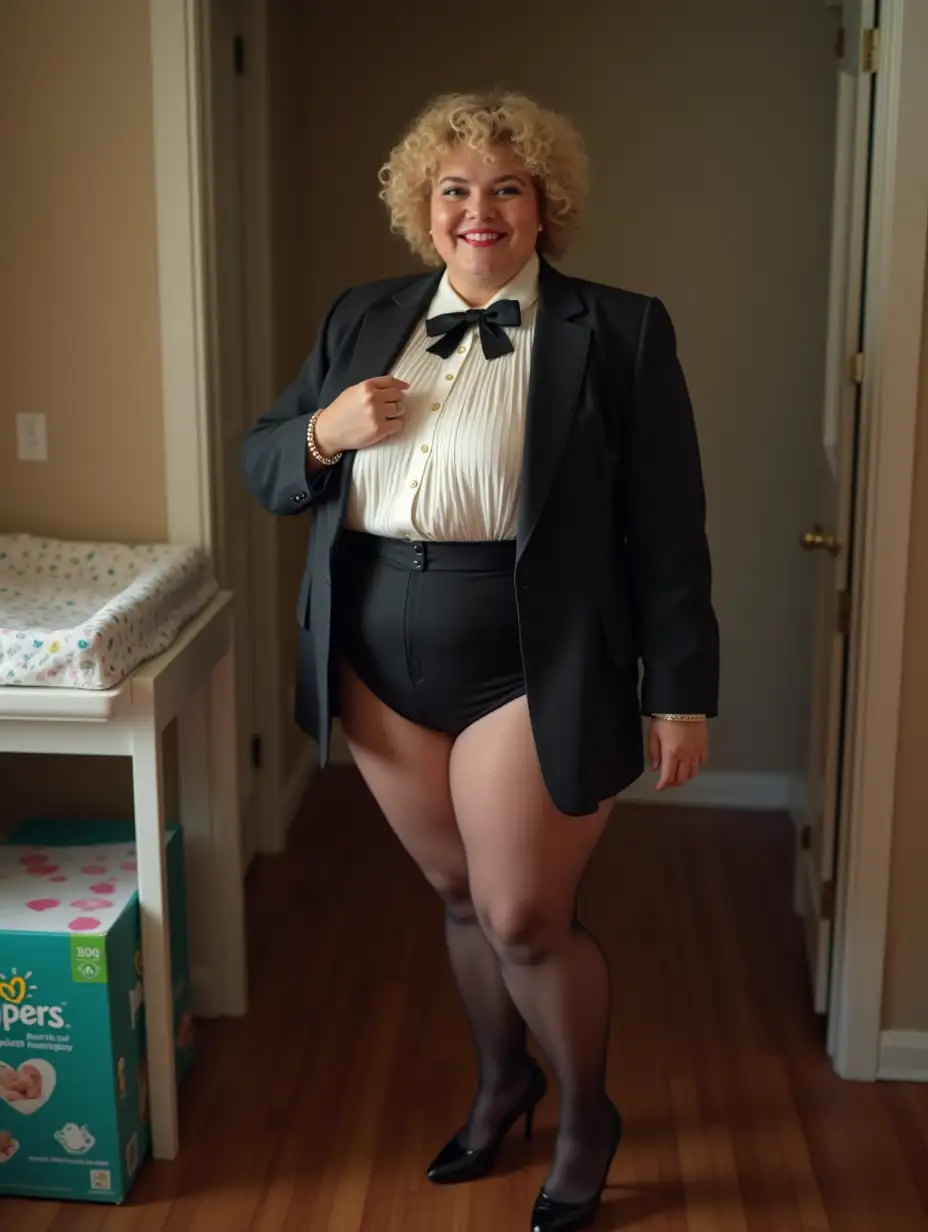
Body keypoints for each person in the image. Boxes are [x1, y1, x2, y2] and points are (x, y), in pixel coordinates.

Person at [243, 91, 719, 1232]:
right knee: (457, 894)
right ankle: (504, 1085)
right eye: (454, 187)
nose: (479, 209)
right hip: (376, 656)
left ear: (543, 204)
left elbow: (668, 529)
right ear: (423, 204)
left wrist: (682, 693)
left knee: (519, 915)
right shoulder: (363, 317)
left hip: (536, 659)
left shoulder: (620, 330)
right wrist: (323, 433)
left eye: (506, 186)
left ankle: (585, 1115)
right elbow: (266, 465)